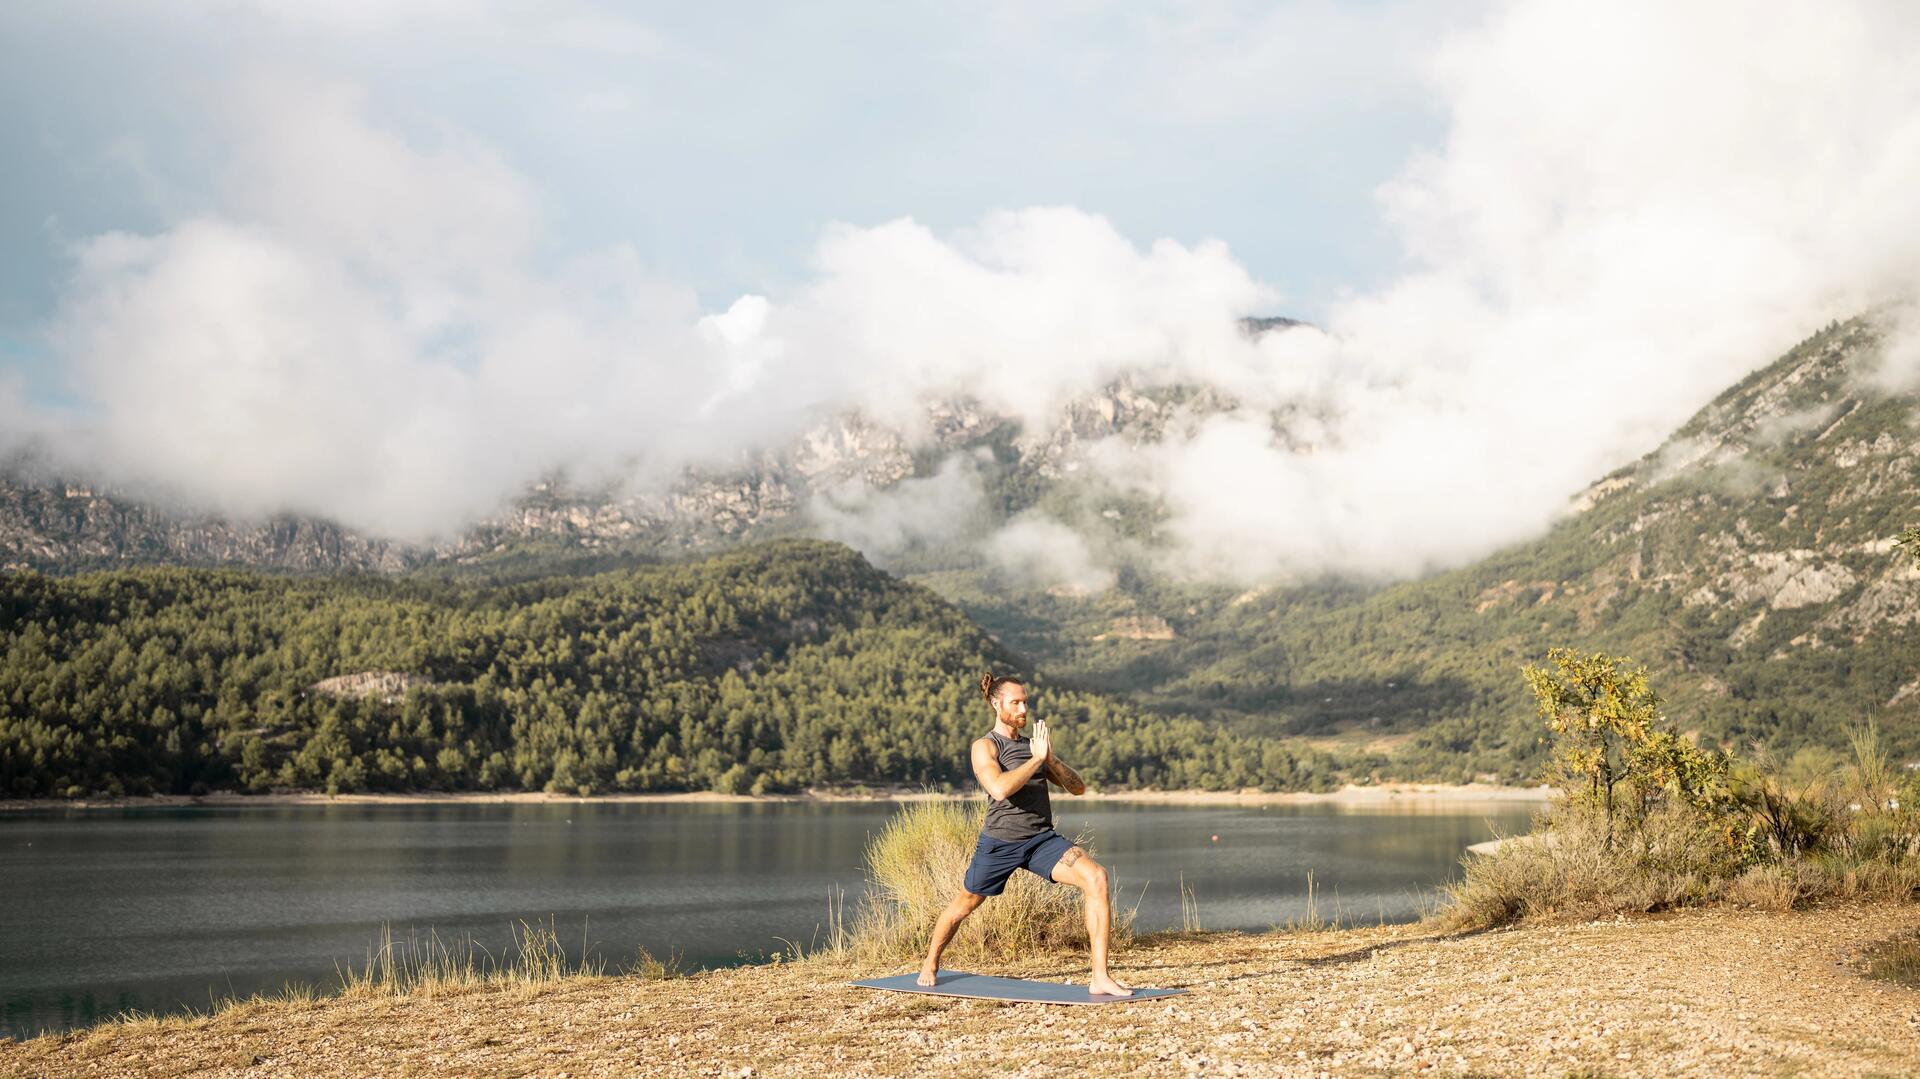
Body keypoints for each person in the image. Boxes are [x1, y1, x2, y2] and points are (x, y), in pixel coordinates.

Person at [916, 672, 1132, 997]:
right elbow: (999, 789)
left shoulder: (1036, 747)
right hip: (1000, 842)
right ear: (996, 704)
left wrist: (1051, 760)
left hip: (1041, 841)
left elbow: (1078, 788)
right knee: (965, 904)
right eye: (1015, 702)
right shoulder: (985, 746)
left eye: (1025, 702)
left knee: (1096, 877)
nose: (1023, 709)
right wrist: (1036, 760)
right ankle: (931, 961)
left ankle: (1100, 976)